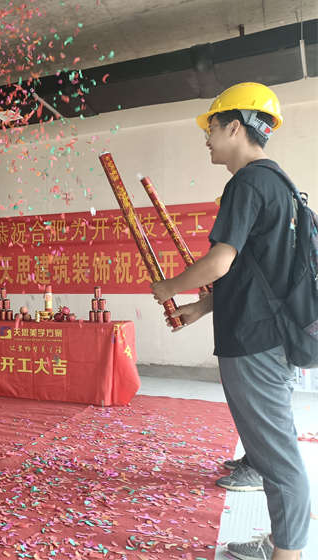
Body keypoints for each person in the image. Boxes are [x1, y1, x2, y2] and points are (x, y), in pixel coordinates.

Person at [150, 83, 310, 560]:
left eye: (212, 128)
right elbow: (253, 272)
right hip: (269, 335)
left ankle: (288, 552)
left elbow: (220, 262)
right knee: (271, 445)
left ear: (235, 127)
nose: (208, 139)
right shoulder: (279, 185)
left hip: (256, 342)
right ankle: (283, 542)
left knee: (277, 454)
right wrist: (201, 308)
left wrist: (170, 286)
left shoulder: (247, 183)